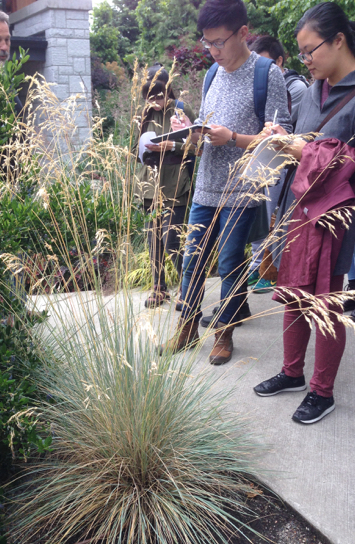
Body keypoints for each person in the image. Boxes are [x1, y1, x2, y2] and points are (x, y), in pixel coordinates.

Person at [160, 0, 291, 364]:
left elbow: (283, 140)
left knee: (231, 263)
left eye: (219, 42)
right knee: (192, 261)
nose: (213, 51)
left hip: (243, 191)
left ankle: (224, 334)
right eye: (207, 43)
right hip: (206, 186)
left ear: (243, 33)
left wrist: (233, 137)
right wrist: (189, 134)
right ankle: (185, 330)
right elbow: (204, 129)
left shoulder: (268, 74)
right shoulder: (211, 75)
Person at [253, 2, 355, 424]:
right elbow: (303, 142)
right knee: (294, 293)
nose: (306, 61)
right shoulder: (312, 91)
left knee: (326, 301)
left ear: (338, 40)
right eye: (301, 53)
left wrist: (304, 149)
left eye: (310, 50)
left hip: (334, 216)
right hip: (297, 210)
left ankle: (322, 391)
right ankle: (293, 373)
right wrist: (283, 138)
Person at [247, 36, 309, 294]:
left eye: (265, 63)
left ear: (279, 61)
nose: (262, 71)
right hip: (263, 159)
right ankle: (257, 268)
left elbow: (299, 132)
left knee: (274, 216)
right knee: (261, 214)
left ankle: (268, 270)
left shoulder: (296, 89)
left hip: (284, 163)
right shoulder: (257, 85)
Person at [134, 65, 195, 309]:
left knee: (172, 239)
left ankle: (187, 287)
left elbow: (196, 146)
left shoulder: (180, 109)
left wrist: (171, 146)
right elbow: (131, 147)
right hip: (149, 184)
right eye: (151, 95)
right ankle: (158, 287)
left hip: (175, 182)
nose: (156, 100)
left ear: (168, 90)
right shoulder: (143, 114)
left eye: (160, 95)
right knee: (153, 240)